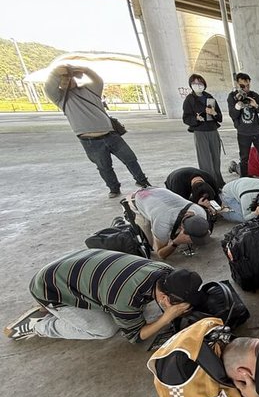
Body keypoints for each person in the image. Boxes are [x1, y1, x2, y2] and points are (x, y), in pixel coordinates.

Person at [3, 249, 201, 342]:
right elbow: (135, 336)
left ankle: (54, 309)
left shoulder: (164, 270)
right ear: (165, 299)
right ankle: (40, 325)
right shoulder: (125, 299)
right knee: (106, 329)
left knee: (127, 312)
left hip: (70, 266)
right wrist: (166, 318)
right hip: (49, 288)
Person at [43, 64, 151, 198]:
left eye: (70, 78)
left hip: (110, 135)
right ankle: (114, 188)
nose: (67, 81)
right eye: (63, 79)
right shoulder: (60, 98)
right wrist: (55, 73)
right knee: (104, 167)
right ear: (59, 83)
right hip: (89, 140)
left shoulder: (90, 90)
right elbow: (48, 88)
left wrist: (86, 70)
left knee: (130, 159)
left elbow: (98, 80)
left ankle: (143, 181)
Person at [128, 187, 212, 259]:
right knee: (149, 244)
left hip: (158, 191)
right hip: (138, 199)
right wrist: (176, 242)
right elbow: (161, 254)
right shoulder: (161, 223)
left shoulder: (199, 211)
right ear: (182, 228)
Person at [182, 74, 224, 189]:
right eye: (195, 83)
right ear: (191, 85)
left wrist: (214, 113)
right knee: (205, 160)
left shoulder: (209, 97)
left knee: (216, 159)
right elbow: (186, 118)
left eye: (200, 83)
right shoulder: (189, 100)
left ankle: (219, 182)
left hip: (213, 130)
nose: (198, 86)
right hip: (200, 132)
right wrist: (196, 119)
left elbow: (219, 116)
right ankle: (210, 184)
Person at [226, 72, 259, 179]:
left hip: (257, 131)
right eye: (242, 86)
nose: (245, 88)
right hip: (243, 133)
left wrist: (256, 105)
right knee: (244, 158)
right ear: (237, 84)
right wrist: (237, 106)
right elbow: (232, 115)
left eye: (248, 85)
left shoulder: (254, 95)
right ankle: (244, 180)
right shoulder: (232, 97)